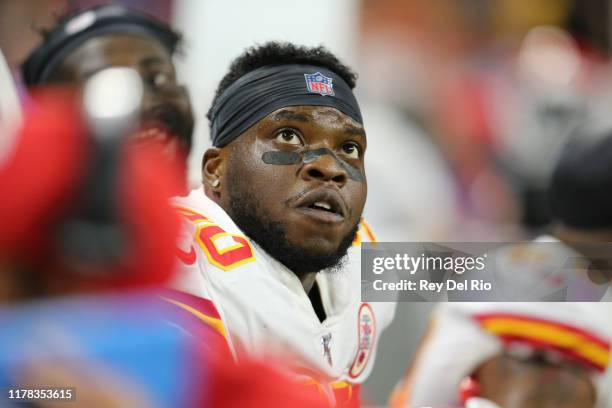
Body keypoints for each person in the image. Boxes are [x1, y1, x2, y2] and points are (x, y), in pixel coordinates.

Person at [170, 41, 395, 406]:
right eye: (288, 136)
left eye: (350, 148)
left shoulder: (364, 258)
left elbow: (477, 273)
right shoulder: (183, 265)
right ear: (215, 170)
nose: (330, 167)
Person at [21, 4, 194, 190]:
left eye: (158, 78)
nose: (143, 104)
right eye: (105, 87)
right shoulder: (19, 217)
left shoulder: (220, 214)